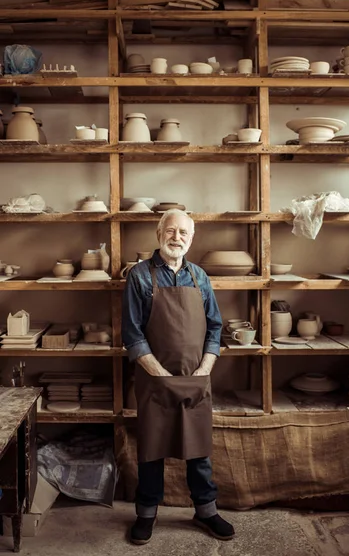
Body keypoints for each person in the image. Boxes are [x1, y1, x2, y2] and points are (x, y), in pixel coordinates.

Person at [122, 209, 235, 545]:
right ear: (159, 234)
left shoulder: (200, 277)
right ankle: (146, 514)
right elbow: (132, 334)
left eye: (184, 233)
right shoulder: (140, 276)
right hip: (154, 379)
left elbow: (215, 328)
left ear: (192, 238)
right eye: (170, 231)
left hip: (196, 377)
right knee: (152, 450)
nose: (177, 238)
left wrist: (204, 370)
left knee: (199, 450)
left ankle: (206, 510)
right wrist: (159, 374)